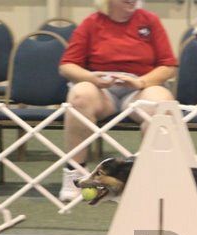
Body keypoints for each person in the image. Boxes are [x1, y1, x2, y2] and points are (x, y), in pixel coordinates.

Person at [58, 0, 177, 201]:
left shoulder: (150, 21)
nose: (132, 1)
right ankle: (74, 172)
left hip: (140, 87)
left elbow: (168, 65)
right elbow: (67, 66)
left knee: (162, 101)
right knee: (79, 96)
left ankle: (153, 176)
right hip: (102, 89)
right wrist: (92, 79)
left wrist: (141, 82)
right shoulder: (91, 23)